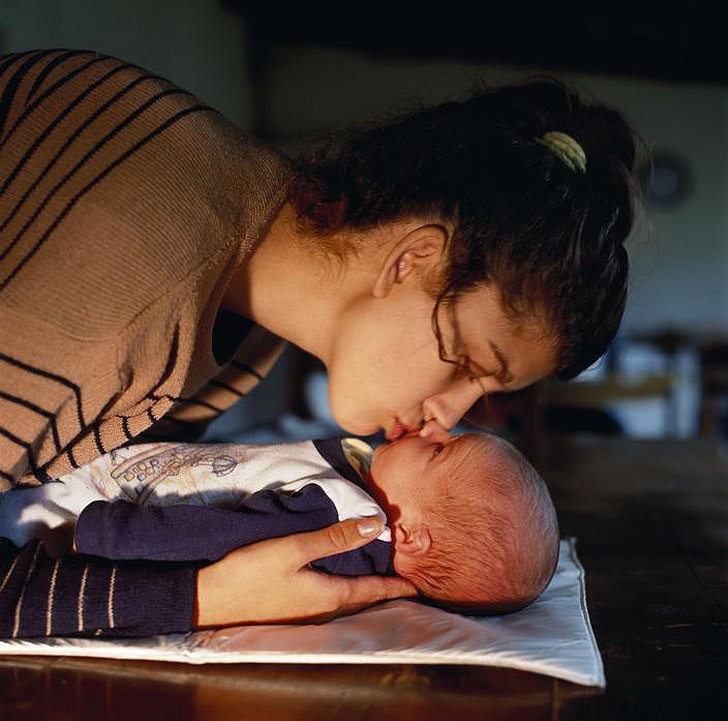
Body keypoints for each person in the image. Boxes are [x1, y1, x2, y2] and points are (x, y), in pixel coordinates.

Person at [0, 49, 638, 637]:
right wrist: (201, 599)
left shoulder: (248, 328)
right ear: (415, 259)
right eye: (470, 363)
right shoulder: (128, 277)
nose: (449, 415)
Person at [3, 428, 559, 617]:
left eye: (441, 451)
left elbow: (222, 537)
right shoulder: (358, 487)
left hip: (75, 507)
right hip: (95, 476)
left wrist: (110, 532)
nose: (436, 430)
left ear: (408, 534)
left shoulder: (343, 518)